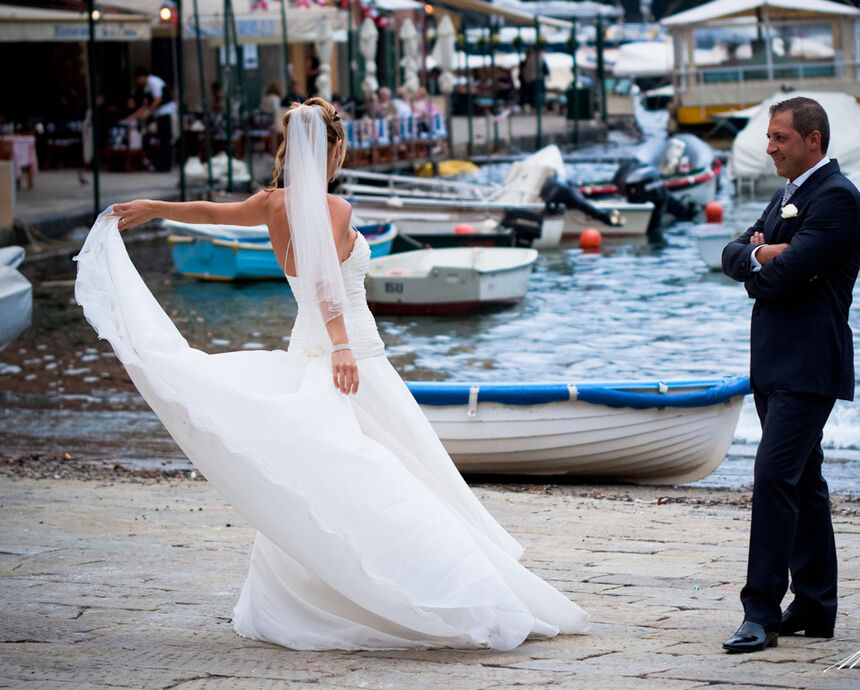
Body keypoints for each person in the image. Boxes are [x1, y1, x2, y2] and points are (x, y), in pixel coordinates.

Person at [75, 98, 590, 651]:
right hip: (353, 355)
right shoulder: (336, 208)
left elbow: (211, 212)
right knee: (396, 477)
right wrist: (343, 348)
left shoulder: (270, 203)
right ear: (336, 148)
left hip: (307, 352)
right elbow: (325, 284)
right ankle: (433, 590)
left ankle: (338, 587)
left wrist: (154, 207)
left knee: (336, 473)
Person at [720, 96, 860, 654]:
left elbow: (796, 269)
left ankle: (760, 612)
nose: (769, 147)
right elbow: (733, 254)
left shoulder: (839, 199)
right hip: (774, 365)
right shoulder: (786, 196)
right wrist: (762, 258)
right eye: (769, 136)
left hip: (810, 364)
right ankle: (814, 605)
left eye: (780, 137)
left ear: (814, 141)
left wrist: (766, 262)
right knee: (804, 483)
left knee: (774, 478)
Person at [125, 67, 176, 171]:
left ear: (143, 77)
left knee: (166, 139)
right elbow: (146, 105)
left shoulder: (153, 82)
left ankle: (166, 165)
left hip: (166, 112)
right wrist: (132, 116)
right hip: (160, 113)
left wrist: (148, 112)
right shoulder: (147, 86)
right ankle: (162, 164)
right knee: (162, 139)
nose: (138, 81)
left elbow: (158, 100)